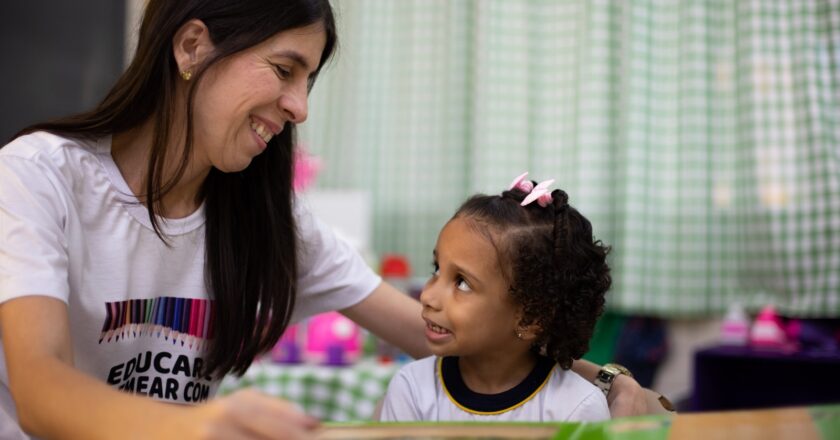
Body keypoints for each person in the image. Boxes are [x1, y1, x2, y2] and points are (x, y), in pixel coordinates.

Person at [0, 1, 647, 439]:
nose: (300, 107)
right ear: (193, 45)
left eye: (308, 79)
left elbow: (437, 332)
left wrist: (607, 383)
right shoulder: (38, 176)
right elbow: (40, 389)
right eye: (285, 70)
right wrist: (201, 424)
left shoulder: (268, 220)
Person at [378, 173, 612, 422]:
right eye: (437, 269)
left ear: (530, 318)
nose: (427, 295)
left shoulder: (577, 408)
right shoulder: (412, 389)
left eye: (462, 283)